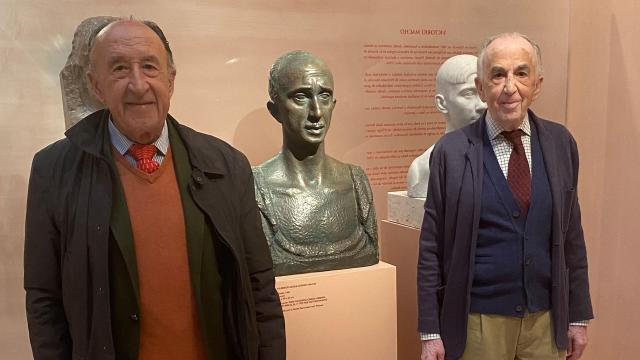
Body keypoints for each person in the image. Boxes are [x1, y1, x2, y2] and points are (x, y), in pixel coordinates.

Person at [24, 19, 285, 360]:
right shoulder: (54, 171)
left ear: (170, 79)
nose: (138, 84)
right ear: (95, 85)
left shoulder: (227, 166)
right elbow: (44, 300)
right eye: (119, 68)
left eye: (149, 66)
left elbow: (259, 285)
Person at [417, 33, 593, 360]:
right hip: (477, 325)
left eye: (521, 73)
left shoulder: (560, 144)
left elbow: (572, 236)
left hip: (545, 322)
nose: (510, 86)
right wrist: (430, 331)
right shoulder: (450, 153)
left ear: (537, 85)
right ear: (482, 87)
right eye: (498, 74)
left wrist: (578, 316)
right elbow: (431, 247)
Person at [252, 50, 379, 276]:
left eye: (324, 96)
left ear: (333, 104)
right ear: (275, 110)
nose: (317, 112)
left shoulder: (356, 181)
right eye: (301, 97)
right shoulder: (256, 187)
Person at [407, 54, 486, 198]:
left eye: (483, 92)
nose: (482, 105)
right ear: (442, 104)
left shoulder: (506, 157)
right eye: (468, 94)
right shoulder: (423, 168)